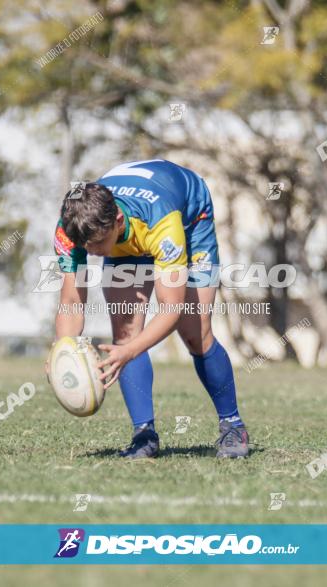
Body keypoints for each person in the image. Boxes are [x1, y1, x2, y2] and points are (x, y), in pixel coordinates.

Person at [51, 159, 249, 459]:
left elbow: (172, 308)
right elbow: (71, 301)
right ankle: (144, 435)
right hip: (129, 233)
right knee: (126, 333)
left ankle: (233, 425)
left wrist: (129, 353)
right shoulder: (73, 227)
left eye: (97, 244)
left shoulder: (163, 224)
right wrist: (62, 351)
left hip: (188, 216)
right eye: (85, 246)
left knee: (194, 333)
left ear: (117, 221)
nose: (91, 253)